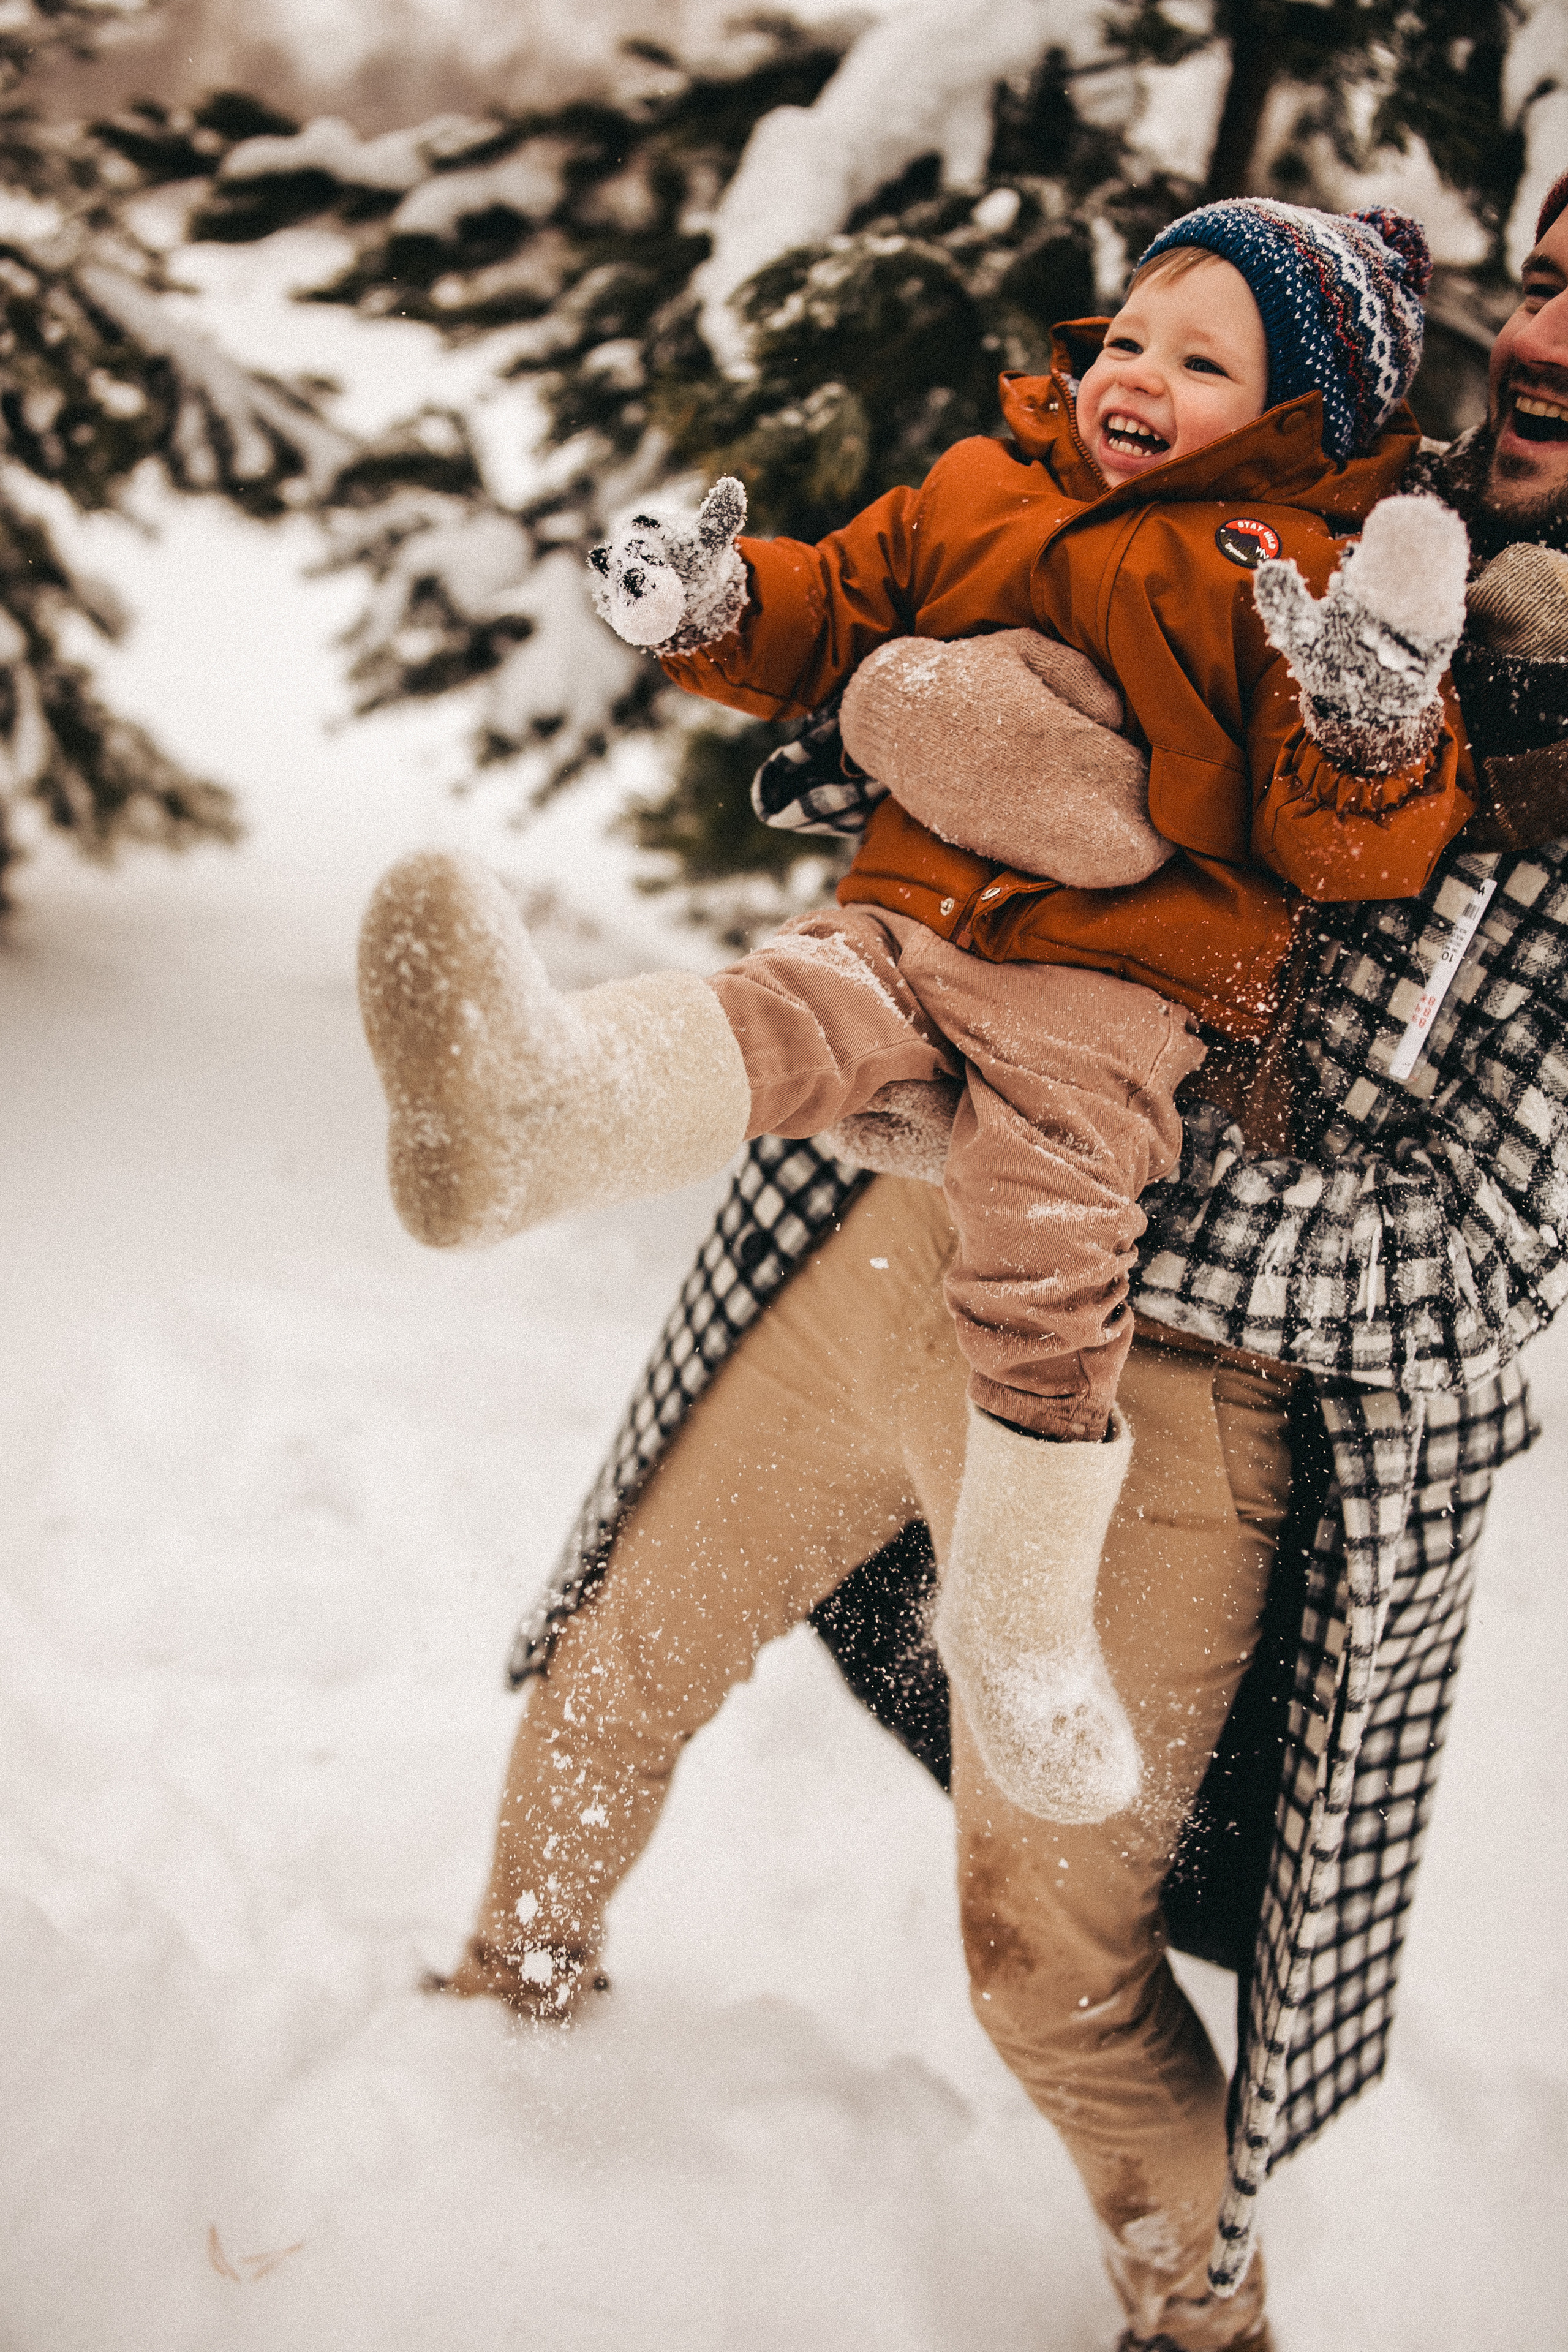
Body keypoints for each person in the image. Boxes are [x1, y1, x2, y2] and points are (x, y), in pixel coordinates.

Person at [406, 175, 1568, 2352]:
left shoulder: (1412, 623)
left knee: (1053, 1964)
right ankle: (475, 2068)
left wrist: (1063, 1128)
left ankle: (1193, 2317)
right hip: (878, 1249)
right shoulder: (1307, 476)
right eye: (1561, 268)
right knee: (611, 1672)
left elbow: (1483, 1258)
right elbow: (952, 643)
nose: (1562, 329)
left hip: (1171, 1405)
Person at [358, 199, 1475, 1832]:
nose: (1137, 376)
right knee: (782, 1012)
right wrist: (715, 600)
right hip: (911, 919)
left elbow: (1339, 841)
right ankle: (539, 1102)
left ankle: (1018, 1624)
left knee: (1052, 1244)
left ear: (1299, 422)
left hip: (1115, 995)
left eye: (1203, 361)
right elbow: (837, 599)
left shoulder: (1284, 572)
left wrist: (1372, 711)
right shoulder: (979, 490)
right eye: (1133, 338)